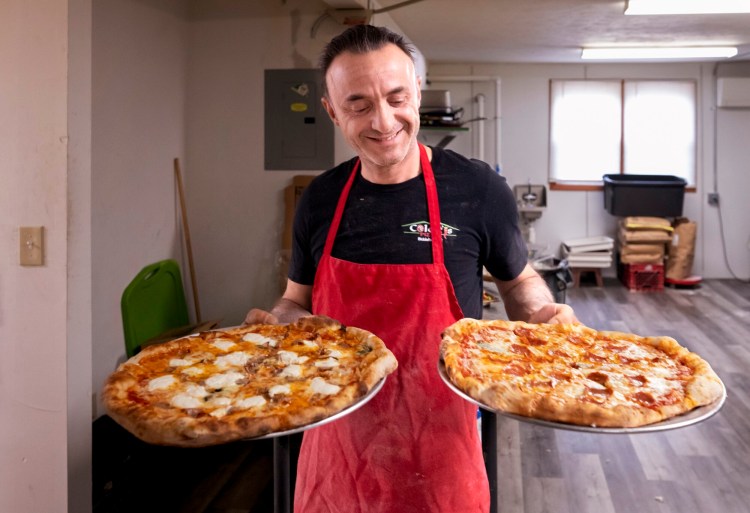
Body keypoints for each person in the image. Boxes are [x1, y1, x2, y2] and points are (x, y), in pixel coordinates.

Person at [245, 24, 577, 513]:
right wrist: (281, 326)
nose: (383, 121)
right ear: (332, 111)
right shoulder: (320, 200)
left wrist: (541, 314)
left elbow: (519, 281)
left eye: (397, 97)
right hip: (337, 455)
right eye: (358, 104)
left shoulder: (477, 188)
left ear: (418, 92)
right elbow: (295, 300)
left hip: (441, 453)